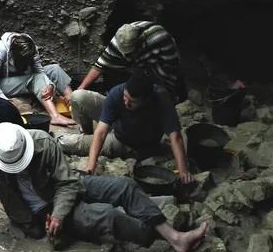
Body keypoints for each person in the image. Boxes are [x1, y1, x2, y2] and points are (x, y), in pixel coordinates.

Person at [0, 123, 208, 252]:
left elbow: (66, 182)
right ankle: (165, 239)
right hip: (35, 215)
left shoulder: (42, 142)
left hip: (62, 190)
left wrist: (61, 213)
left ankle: (175, 236)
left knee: (124, 186)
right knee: (105, 216)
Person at [62, 70, 194, 183]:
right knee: (78, 98)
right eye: (125, 97)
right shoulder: (117, 92)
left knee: (73, 143)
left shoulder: (161, 98)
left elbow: (175, 136)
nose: (126, 103)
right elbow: (101, 132)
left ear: (146, 99)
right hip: (119, 128)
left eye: (132, 102)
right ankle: (60, 137)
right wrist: (91, 165)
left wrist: (183, 171)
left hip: (125, 143)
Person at [76, 21, 182, 102]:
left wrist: (165, 96)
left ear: (140, 41)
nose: (127, 56)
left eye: (130, 52)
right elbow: (100, 66)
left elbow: (169, 72)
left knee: (162, 95)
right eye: (125, 53)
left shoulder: (159, 39)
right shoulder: (118, 41)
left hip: (157, 65)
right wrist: (80, 89)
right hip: (136, 67)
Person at [0, 32, 74, 126]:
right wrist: (5, 100)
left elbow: (39, 70)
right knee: (36, 78)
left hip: (23, 78)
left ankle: (72, 102)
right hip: (3, 84)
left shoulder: (30, 47)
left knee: (54, 69)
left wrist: (50, 85)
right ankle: (55, 116)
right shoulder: (1, 48)